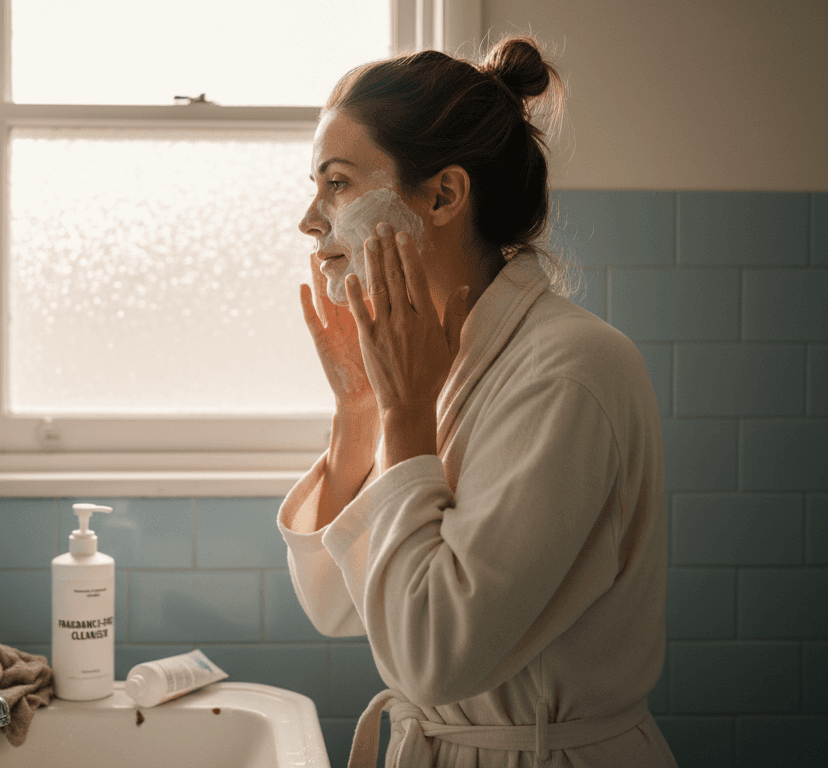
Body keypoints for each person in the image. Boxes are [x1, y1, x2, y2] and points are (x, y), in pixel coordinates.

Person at [277, 36, 677, 768]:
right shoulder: (439, 363)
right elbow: (337, 604)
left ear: (443, 196)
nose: (310, 219)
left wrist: (404, 417)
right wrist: (361, 412)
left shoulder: (568, 371)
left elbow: (432, 657)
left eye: (337, 184)